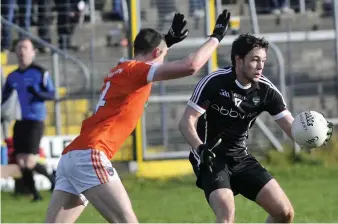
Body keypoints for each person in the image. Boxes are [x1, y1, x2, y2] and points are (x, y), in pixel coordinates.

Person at [45, 10, 231, 223]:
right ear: (154, 54)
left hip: (72, 155)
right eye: (162, 55)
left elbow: (151, 61)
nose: (163, 62)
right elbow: (191, 66)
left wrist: (166, 42)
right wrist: (216, 37)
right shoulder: (135, 71)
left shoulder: (121, 69)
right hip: (91, 153)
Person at [178, 33, 333, 223]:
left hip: (240, 157)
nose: (260, 66)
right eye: (255, 60)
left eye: (263, 61)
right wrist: (200, 148)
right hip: (211, 157)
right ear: (239, 59)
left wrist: (313, 134)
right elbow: (186, 121)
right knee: (226, 214)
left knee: (284, 213)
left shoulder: (266, 91)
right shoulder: (215, 82)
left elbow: (292, 128)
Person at [1, 38, 56, 201]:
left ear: (33, 52)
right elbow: (5, 96)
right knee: (20, 160)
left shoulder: (41, 72)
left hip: (36, 120)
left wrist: (37, 94)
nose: (21, 51)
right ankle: (35, 195)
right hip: (20, 120)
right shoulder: (13, 76)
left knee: (30, 160)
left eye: (25, 47)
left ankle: (53, 180)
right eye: (19, 48)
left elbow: (51, 94)